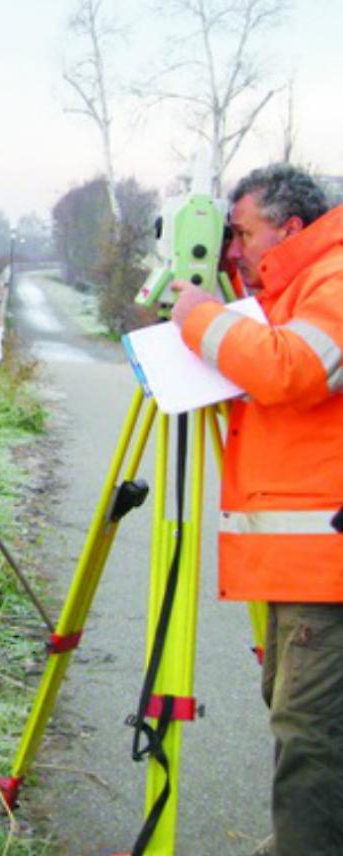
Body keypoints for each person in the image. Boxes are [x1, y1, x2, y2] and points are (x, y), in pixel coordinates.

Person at [170, 163, 343, 856]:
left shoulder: (333, 279)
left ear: (290, 226)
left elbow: (294, 369)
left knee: (312, 735)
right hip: (299, 567)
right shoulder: (294, 286)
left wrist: (202, 321)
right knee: (302, 723)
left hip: (324, 569)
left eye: (241, 233)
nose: (232, 249)